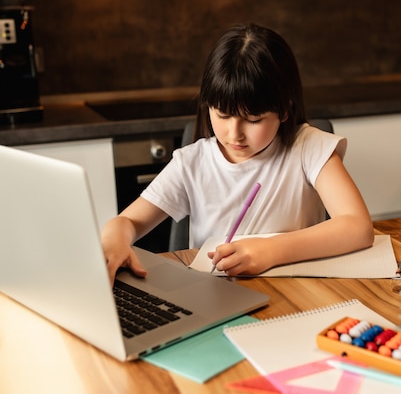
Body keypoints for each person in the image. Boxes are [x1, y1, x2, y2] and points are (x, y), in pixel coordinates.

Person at [101, 23, 374, 284]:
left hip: (296, 293)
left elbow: (357, 226)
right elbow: (128, 221)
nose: (235, 134)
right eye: (222, 115)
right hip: (215, 296)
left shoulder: (309, 147)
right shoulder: (192, 163)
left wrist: (271, 250)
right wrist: (115, 237)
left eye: (253, 120)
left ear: (286, 110)